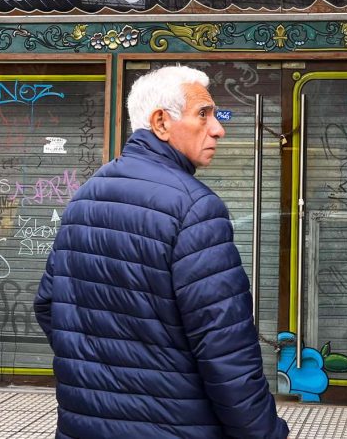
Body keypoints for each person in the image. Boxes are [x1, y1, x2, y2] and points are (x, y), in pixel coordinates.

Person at [34, 65, 289, 439]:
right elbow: (226, 351)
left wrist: (103, 373)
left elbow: (48, 305)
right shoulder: (195, 209)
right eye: (203, 114)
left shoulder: (84, 197)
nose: (218, 128)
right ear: (161, 122)